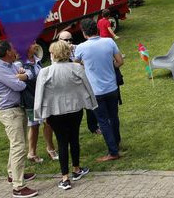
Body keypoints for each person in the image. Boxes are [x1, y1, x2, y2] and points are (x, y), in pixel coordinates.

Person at [34, 41, 96, 191]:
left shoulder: (45, 72)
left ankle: (65, 178)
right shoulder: (77, 68)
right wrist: (92, 104)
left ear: (53, 54)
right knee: (74, 138)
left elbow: (39, 95)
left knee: (62, 142)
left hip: (55, 113)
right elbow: (88, 87)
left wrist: (39, 114)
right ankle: (76, 169)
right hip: (75, 110)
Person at [74, 19, 124, 162]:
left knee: (103, 121)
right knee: (114, 117)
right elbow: (120, 62)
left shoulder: (81, 48)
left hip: (96, 91)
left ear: (84, 33)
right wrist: (109, 65)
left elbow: (75, 67)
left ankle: (113, 152)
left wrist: (86, 66)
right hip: (112, 87)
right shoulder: (109, 42)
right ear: (96, 29)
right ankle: (117, 143)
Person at [0, 41, 38, 198]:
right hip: (10, 111)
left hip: (17, 108)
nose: (16, 50)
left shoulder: (10, 65)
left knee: (16, 144)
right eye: (13, 48)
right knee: (19, 147)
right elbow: (19, 86)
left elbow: (29, 73)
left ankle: (12, 174)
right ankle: (18, 187)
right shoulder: (1, 68)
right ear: (8, 52)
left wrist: (22, 75)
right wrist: (21, 77)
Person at [20, 44, 58, 164]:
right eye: (32, 42)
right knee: (34, 125)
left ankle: (50, 148)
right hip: (31, 99)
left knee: (48, 121)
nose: (35, 44)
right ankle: (32, 153)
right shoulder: (19, 64)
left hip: (42, 96)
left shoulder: (37, 59)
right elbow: (18, 78)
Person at [58, 32, 100, 135]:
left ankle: (93, 126)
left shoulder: (78, 48)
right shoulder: (55, 52)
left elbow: (87, 63)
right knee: (74, 108)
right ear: (59, 40)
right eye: (66, 40)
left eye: (70, 40)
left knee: (90, 103)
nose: (69, 42)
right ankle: (72, 130)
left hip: (82, 80)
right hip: (69, 83)